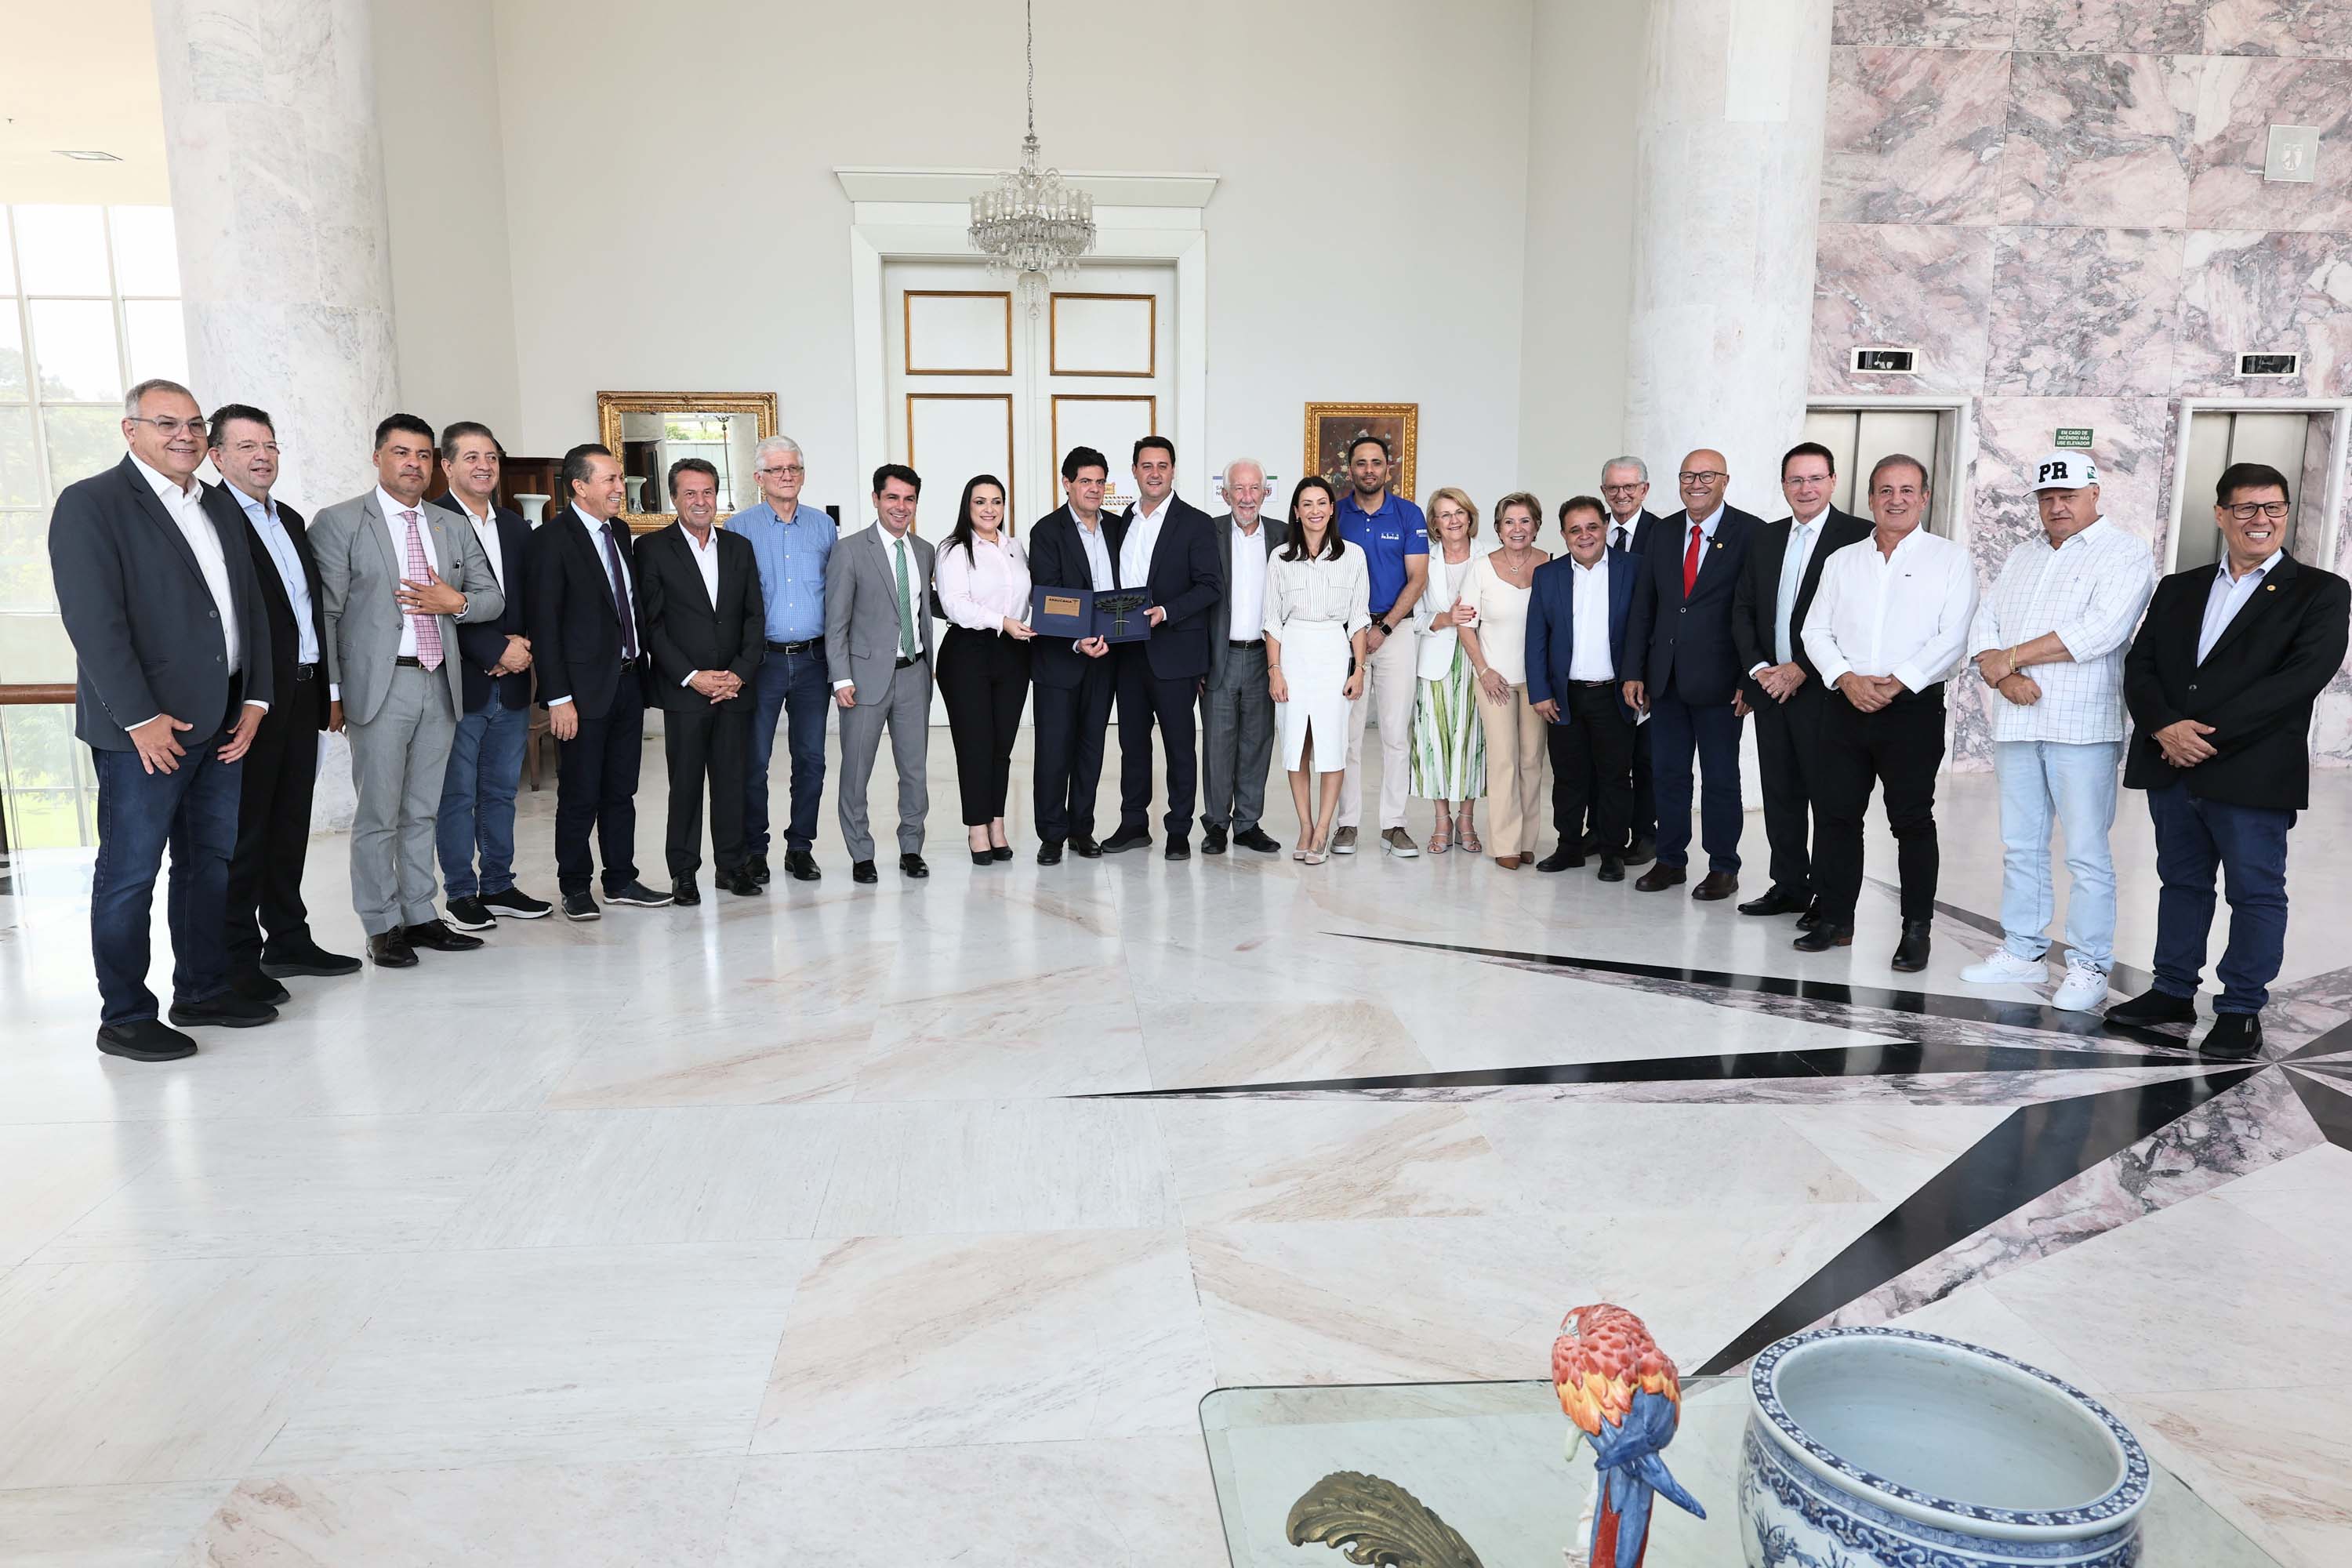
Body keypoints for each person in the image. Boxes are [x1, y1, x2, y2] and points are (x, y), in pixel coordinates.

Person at [49, 379, 275, 1060]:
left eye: (195, 424)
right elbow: (94, 623)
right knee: (130, 873)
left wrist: (256, 699)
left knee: (208, 863)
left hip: (225, 717)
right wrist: (139, 718)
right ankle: (124, 1015)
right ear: (131, 430)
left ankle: (202, 990)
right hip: (146, 733)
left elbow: (249, 606)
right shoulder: (92, 503)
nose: (185, 435)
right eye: (166, 423)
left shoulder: (217, 503)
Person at [2109, 461, 2350, 1061]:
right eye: (2245, 507)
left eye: (2273, 507)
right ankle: (2172, 991)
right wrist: (2164, 727)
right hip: (2172, 763)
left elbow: (2300, 679)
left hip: (2252, 769)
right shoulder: (2179, 587)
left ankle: (2241, 1009)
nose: (2260, 519)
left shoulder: (2320, 591)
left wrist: (2201, 736)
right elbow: (2140, 665)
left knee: (2255, 891)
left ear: (2285, 514)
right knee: (2182, 883)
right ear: (2221, 514)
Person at [1960, 453, 2155, 1013]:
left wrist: (2011, 659)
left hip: (2082, 726)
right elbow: (1986, 621)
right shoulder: (2023, 554)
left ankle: (2090, 965)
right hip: (2019, 722)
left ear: (2095, 494)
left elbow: (2100, 630)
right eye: (2047, 497)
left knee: (2087, 853)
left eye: (2068, 495)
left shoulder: (2124, 552)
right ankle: (2023, 949)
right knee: (2021, 845)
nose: (2057, 506)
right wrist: (2004, 676)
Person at [312, 414, 506, 967]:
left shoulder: (450, 525)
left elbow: (491, 598)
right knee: (379, 812)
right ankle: (381, 924)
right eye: (401, 452)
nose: (413, 464)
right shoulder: (341, 521)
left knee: (422, 809)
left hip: (439, 680)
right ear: (378, 457)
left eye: (423, 454)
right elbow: (326, 614)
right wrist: (332, 691)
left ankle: (421, 913)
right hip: (380, 684)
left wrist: (455, 603)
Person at [1797, 454, 1978, 971]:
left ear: (1924, 498)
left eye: (1907, 490)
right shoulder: (1842, 560)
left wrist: (1897, 682)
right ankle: (1836, 919)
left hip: (1912, 710)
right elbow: (1815, 630)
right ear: (1871, 497)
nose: (1895, 500)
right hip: (1845, 704)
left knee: (1912, 821)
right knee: (1836, 817)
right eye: (1885, 490)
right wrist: (1846, 678)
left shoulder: (1951, 559)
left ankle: (1916, 930)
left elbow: (1955, 635)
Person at [208, 404, 358, 1001]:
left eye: (269, 445)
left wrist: (328, 690)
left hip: (302, 689)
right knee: (245, 830)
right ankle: (236, 957)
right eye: (246, 446)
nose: (262, 456)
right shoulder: (211, 517)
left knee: (290, 820)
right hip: (250, 698)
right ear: (217, 457)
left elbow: (308, 612)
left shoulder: (290, 519)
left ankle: (289, 938)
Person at [528, 442, 673, 920]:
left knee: (621, 790)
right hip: (581, 693)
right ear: (579, 486)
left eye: (618, 478)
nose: (619, 487)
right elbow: (545, 626)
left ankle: (620, 879)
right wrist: (558, 698)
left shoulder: (620, 532)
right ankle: (574, 886)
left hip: (628, 683)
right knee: (579, 794)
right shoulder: (551, 541)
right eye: (609, 479)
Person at [1730, 441, 1872, 924]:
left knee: (1829, 800)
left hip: (1826, 691)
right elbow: (1743, 609)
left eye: (1815, 478)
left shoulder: (1859, 537)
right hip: (1771, 689)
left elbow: (1856, 619)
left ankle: (1828, 900)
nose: (1805, 488)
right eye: (1796, 479)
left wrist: (1801, 668)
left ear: (1833, 481)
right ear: (1784, 485)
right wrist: (1759, 670)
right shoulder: (1766, 538)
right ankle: (1789, 885)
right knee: (1780, 795)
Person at [1622, 448, 1761, 898]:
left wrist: (1750, 678)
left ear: (1725, 481)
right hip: (1665, 680)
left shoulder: (1751, 533)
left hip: (1722, 684)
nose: (1696, 484)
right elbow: (1644, 606)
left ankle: (1723, 866)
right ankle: (1670, 860)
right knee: (1668, 775)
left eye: (1706, 476)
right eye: (1687, 476)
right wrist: (1634, 671)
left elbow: (1757, 612)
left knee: (1720, 779)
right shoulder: (1662, 532)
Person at [429, 420, 551, 931]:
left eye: (491, 458)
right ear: (447, 465)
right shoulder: (431, 524)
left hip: (515, 681)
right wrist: (495, 651)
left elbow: (536, 600)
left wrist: (522, 650)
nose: (484, 466)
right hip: (462, 681)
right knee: (457, 795)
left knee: (502, 792)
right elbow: (435, 605)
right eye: (472, 457)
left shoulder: (516, 527)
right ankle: (461, 893)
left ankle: (498, 885)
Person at [639, 457, 766, 903]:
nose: (700, 501)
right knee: (686, 785)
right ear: (674, 498)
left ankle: (731, 867)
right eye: (690, 493)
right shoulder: (652, 549)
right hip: (686, 692)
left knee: (733, 782)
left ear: (717, 496)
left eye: (708, 492)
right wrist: (691, 676)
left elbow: (754, 617)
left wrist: (740, 674)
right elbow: (652, 625)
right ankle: (684, 873)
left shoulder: (738, 548)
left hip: (733, 688)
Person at [1103, 436, 1222, 860]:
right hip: (1128, 651)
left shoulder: (1196, 523)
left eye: (1162, 465)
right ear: (1134, 471)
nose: (1154, 473)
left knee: (1179, 746)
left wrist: (1166, 612)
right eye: (1146, 465)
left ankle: (1178, 829)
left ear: (1173, 470)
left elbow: (1210, 586)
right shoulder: (1122, 520)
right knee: (1133, 745)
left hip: (1174, 653)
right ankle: (1134, 824)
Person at [728, 435, 833, 884]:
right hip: (761, 663)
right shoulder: (738, 528)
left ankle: (800, 847)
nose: (786, 476)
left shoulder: (824, 527)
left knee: (811, 760)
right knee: (754, 761)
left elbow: (836, 595)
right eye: (776, 469)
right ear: (759, 478)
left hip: (813, 660)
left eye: (794, 468)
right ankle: (755, 850)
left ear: (803, 475)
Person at [826, 464, 936, 884]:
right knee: (857, 771)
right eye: (892, 497)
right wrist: (841, 678)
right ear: (876, 499)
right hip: (863, 679)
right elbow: (836, 621)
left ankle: (912, 847)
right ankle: (861, 852)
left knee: (915, 770)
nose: (901, 507)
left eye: (909, 499)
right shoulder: (851, 550)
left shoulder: (924, 550)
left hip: (914, 674)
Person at [1528, 496, 1638, 880]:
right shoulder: (1548, 575)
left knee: (1614, 777)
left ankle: (1611, 851)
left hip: (1614, 694)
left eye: (1592, 527)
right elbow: (1536, 637)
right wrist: (1540, 691)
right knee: (1568, 776)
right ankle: (1569, 846)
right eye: (1575, 529)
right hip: (1565, 696)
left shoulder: (1633, 568)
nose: (1585, 535)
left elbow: (1644, 630)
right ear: (1563, 535)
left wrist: (1638, 678)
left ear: (1606, 527)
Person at [1265, 477, 1370, 864]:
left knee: (1331, 743)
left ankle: (1324, 829)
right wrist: (1275, 670)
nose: (1315, 510)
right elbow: (1271, 620)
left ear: (1331, 509)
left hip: (1332, 653)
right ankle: (1306, 826)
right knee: (1297, 744)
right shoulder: (1280, 558)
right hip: (1293, 653)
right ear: (1296, 511)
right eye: (1307, 504)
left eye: (1322, 503)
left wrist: (1358, 669)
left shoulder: (1353, 556)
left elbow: (1358, 618)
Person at [1333, 434, 1428, 857]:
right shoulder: (1335, 513)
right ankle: (1347, 824)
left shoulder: (1408, 514)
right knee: (1348, 736)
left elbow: (1418, 579)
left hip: (1396, 633)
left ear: (1388, 468)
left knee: (1394, 734)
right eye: (1361, 463)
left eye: (1376, 462)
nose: (1368, 470)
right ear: (1349, 469)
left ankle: (1394, 824)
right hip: (1345, 636)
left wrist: (1383, 629)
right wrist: (1357, 633)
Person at [933, 473, 1034, 865]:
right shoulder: (953, 549)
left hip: (1013, 652)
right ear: (967, 506)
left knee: (1001, 746)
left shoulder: (1015, 548)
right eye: (980, 502)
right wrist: (1002, 621)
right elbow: (954, 604)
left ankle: (997, 824)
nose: (989, 509)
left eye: (996, 502)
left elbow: (1030, 597)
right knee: (975, 744)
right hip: (968, 652)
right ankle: (977, 828)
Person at [1028, 446, 1120, 865]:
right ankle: (1051, 834)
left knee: (1090, 748)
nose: (1094, 489)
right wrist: (1079, 639)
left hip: (1106, 657)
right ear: (1066, 484)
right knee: (1054, 750)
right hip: (1060, 659)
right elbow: (1048, 597)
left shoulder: (1118, 528)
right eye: (1085, 481)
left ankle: (1082, 828)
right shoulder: (1047, 532)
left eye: (1100, 482)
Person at [1454, 492, 1551, 868]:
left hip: (1537, 681)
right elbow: (1465, 624)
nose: (1517, 529)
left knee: (1532, 761)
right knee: (1504, 760)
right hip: (1494, 679)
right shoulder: (1480, 568)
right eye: (1509, 522)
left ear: (1537, 526)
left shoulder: (1551, 564)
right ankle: (1506, 844)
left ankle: (1527, 840)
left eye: (1525, 521)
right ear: (1497, 528)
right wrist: (1484, 670)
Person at [1200, 458, 1283, 855]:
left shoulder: (1283, 536)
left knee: (1257, 742)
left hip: (1265, 657)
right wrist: (1198, 661)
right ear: (1225, 493)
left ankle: (1248, 823)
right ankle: (1217, 823)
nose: (1247, 497)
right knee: (1217, 744)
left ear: (1266, 492)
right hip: (1221, 656)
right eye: (1239, 489)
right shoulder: (1208, 533)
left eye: (1254, 489)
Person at [1410, 487, 1486, 855]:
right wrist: (1445, 618)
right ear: (1435, 524)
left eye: (1459, 512)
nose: (1453, 520)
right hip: (1435, 661)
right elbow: (1413, 617)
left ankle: (1466, 819)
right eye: (1445, 514)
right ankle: (1442, 820)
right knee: (1434, 743)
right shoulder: (1424, 559)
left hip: (1481, 662)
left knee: (1474, 742)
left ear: (1470, 517)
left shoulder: (1490, 556)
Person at [1599, 455, 1664, 861]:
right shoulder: (1593, 530)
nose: (1621, 494)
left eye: (1629, 487)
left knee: (1645, 757)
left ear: (1644, 489)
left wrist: (1643, 669)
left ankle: (1645, 833)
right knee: (1604, 756)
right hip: (1598, 666)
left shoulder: (1664, 533)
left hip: (1645, 666)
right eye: (1613, 488)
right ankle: (1603, 830)